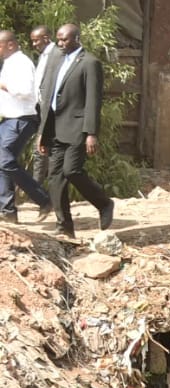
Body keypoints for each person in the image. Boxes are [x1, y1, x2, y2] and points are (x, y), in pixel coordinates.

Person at [36, 24, 114, 238]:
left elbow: (93, 100)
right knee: (55, 177)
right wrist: (43, 131)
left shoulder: (90, 63)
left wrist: (91, 133)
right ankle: (65, 227)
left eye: (65, 40)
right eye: (58, 39)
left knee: (72, 171)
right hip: (55, 129)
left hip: (77, 128)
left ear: (77, 39)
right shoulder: (57, 60)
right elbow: (49, 98)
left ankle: (104, 203)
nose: (60, 44)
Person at [0, 30, 52, 223]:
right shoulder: (9, 63)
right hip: (9, 119)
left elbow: (26, 91)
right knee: (2, 163)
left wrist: (2, 85)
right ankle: (8, 211)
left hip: (22, 119)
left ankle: (44, 199)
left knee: (5, 162)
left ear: (11, 44)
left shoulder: (22, 63)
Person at [28, 26, 59, 114]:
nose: (34, 44)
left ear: (46, 38)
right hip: (40, 105)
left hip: (51, 107)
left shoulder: (58, 54)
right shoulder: (43, 56)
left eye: (36, 40)